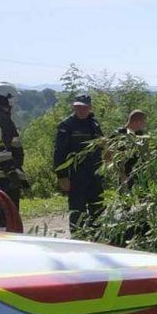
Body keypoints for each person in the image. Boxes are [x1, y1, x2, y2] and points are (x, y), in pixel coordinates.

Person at [53, 94, 105, 233]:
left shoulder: (94, 124)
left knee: (98, 209)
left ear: (90, 107)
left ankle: (97, 238)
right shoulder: (66, 126)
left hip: (94, 175)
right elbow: (59, 153)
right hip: (76, 176)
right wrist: (62, 176)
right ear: (73, 107)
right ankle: (78, 239)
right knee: (77, 211)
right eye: (78, 107)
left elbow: (102, 145)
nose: (81, 110)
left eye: (84, 107)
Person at [0, 82, 30, 230]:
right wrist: (12, 174)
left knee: (2, 213)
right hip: (5, 176)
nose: (14, 103)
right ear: (6, 99)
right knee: (6, 214)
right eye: (13, 99)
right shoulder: (2, 119)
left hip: (0, 175)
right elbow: (2, 149)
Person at [111, 110, 148, 188]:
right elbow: (110, 155)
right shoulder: (119, 134)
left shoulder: (140, 134)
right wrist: (121, 174)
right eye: (143, 122)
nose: (144, 125)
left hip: (139, 173)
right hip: (125, 173)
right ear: (137, 122)